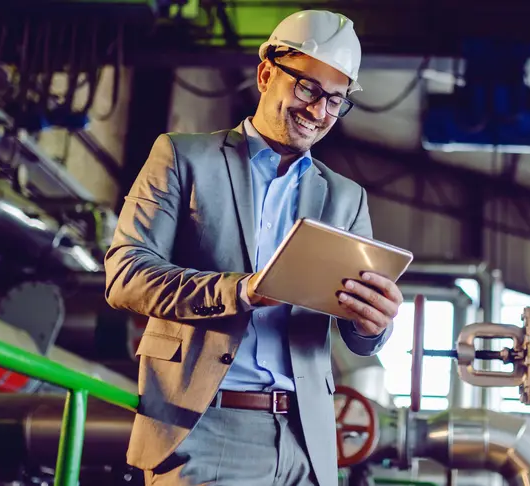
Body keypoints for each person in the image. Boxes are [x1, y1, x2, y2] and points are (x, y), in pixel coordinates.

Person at [103, 10, 403, 486]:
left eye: (335, 101)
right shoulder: (183, 157)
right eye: (307, 88)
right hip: (205, 428)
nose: (318, 111)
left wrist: (374, 324)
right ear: (266, 74)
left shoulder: (347, 198)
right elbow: (125, 275)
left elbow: (354, 332)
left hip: (307, 439)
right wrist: (240, 292)